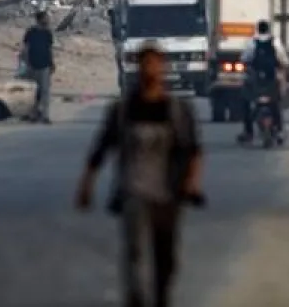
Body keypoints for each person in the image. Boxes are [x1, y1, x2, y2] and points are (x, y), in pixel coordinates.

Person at [76, 43, 204, 307]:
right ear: (139, 69)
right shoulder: (122, 111)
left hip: (168, 194)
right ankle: (135, 299)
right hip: (132, 190)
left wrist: (191, 183)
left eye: (155, 64)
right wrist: (86, 185)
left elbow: (193, 151)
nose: (151, 69)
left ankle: (161, 298)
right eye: (146, 64)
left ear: (163, 69)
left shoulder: (178, 111)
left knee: (165, 256)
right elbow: (100, 148)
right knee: (134, 251)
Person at [237, 19, 289, 145]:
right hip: (272, 79)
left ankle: (248, 132)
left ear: (257, 29)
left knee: (246, 102)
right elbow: (285, 60)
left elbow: (244, 58)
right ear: (268, 29)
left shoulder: (252, 42)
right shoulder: (275, 42)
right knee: (276, 103)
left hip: (256, 80)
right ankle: (280, 131)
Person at [21, 10, 56, 124]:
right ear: (40, 19)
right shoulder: (30, 32)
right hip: (32, 65)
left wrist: (52, 63)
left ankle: (45, 115)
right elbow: (25, 49)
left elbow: (50, 49)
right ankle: (33, 114)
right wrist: (26, 64)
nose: (49, 20)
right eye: (46, 18)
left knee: (45, 91)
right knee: (33, 92)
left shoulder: (48, 33)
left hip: (45, 65)